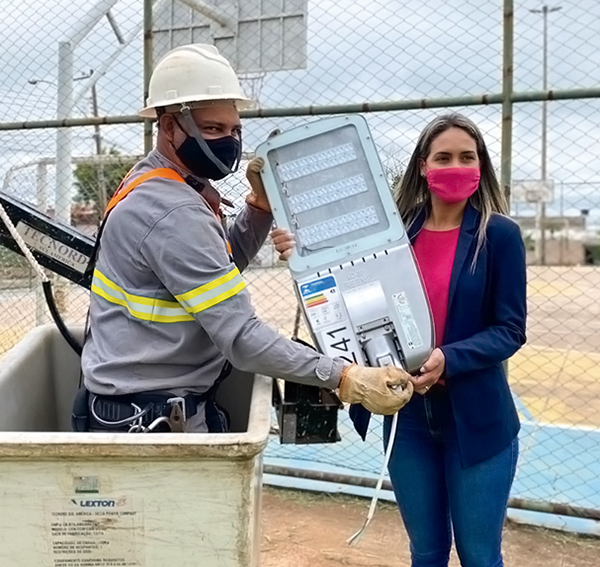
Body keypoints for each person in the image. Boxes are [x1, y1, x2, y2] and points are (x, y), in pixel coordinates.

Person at [75, 43, 412, 434]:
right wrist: (345, 377)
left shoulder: (159, 181)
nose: (229, 141)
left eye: (234, 129)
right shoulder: (172, 211)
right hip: (152, 417)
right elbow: (240, 337)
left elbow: (220, 265)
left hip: (144, 403)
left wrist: (260, 206)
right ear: (168, 127)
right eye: (213, 129)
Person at [274, 113, 526, 567]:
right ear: (423, 166)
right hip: (407, 417)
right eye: (443, 157)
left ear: (481, 165)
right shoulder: (393, 232)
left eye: (466, 157)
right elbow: (340, 286)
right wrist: (300, 256)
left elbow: (510, 329)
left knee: (478, 555)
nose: (455, 166)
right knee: (426, 553)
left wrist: (449, 358)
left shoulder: (500, 236)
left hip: (476, 418)